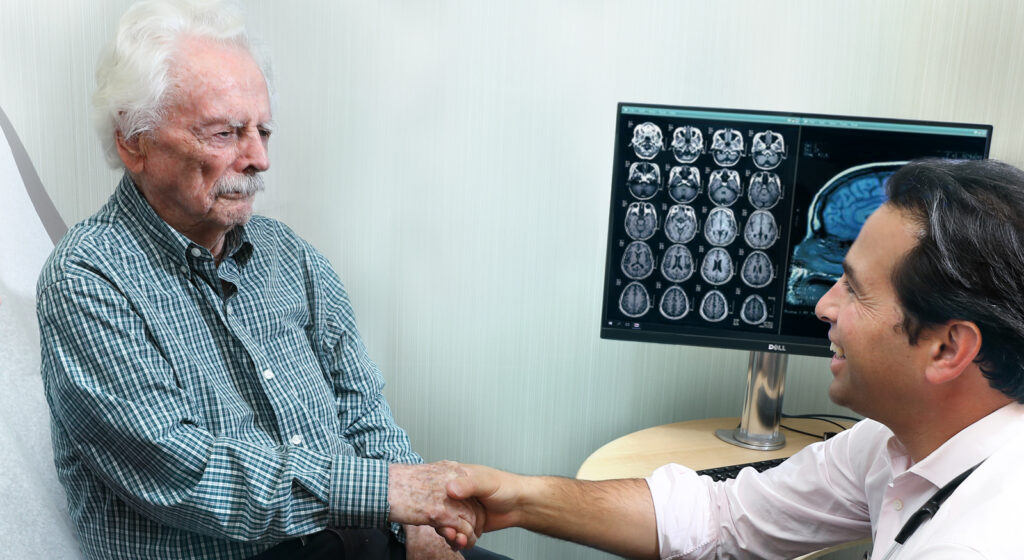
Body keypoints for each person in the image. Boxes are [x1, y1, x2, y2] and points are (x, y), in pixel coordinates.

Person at [36, 1, 498, 558]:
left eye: (263, 131)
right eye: (225, 133)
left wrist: (416, 526)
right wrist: (389, 492)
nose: (258, 158)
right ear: (134, 141)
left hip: (361, 533)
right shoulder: (88, 277)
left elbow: (363, 411)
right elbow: (185, 473)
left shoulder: (289, 256)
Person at [441, 158, 1024, 559]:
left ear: (948, 348)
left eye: (852, 288)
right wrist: (521, 497)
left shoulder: (979, 541)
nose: (823, 306)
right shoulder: (899, 440)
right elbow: (724, 516)